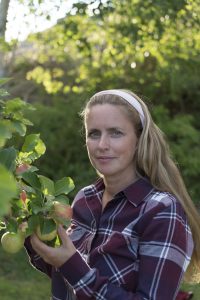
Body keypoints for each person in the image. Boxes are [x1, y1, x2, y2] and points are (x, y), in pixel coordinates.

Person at [25, 89, 200, 299]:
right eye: (94, 133)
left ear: (139, 140)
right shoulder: (85, 199)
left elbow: (76, 271)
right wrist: (26, 223)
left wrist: (71, 265)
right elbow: (67, 276)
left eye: (115, 133)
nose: (102, 145)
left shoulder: (161, 211)